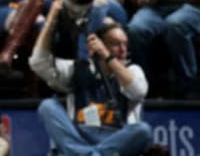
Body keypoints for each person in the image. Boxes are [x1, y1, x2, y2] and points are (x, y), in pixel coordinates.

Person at [30, 15, 153, 155]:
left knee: (143, 130)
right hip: (80, 137)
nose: (122, 49)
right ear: (97, 46)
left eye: (125, 44)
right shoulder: (77, 69)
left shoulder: (132, 71)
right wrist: (51, 19)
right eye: (115, 44)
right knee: (47, 106)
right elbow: (38, 63)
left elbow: (138, 90)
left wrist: (108, 57)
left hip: (114, 139)